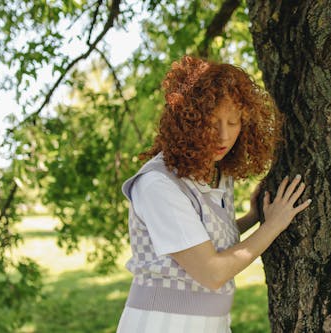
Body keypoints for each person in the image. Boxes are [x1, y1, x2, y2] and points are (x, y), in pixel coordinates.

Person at [116, 55, 311, 333]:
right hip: (163, 324)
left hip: (212, 324)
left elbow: (201, 241)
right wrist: (273, 226)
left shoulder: (216, 173)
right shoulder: (157, 184)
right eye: (212, 121)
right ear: (188, 120)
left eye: (234, 122)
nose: (223, 135)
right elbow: (212, 272)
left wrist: (252, 218)